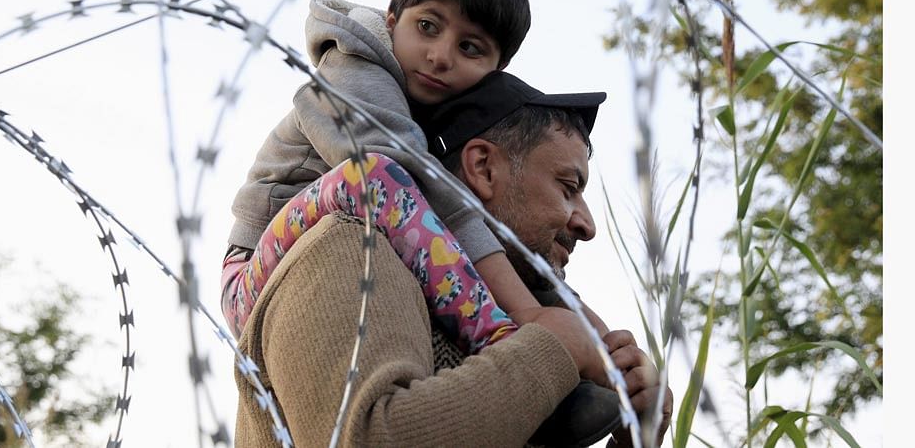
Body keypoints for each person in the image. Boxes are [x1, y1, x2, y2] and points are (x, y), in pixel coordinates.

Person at [232, 71, 673, 447]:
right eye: (567, 187)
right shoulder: (350, 246)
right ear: (482, 168)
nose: (587, 225)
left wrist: (632, 434)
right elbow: (368, 436)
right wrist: (557, 347)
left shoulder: (507, 334)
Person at [221, 0, 587, 360]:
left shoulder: (440, 117)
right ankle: (502, 345)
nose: (439, 56)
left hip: (345, 258)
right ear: (393, 20)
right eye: (427, 27)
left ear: (495, 70)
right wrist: (527, 313)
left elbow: (484, 224)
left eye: (469, 48)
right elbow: (408, 182)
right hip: (254, 276)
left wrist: (590, 328)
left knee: (472, 203)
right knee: (377, 173)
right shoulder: (352, 69)